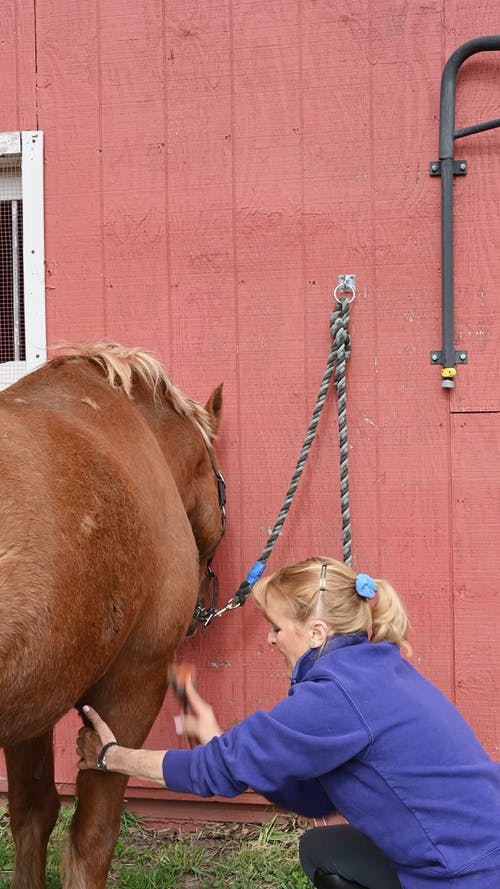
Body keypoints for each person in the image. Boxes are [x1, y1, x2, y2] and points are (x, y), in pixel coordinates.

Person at [77, 557, 500, 889]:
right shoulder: (373, 668)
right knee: (323, 848)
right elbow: (316, 800)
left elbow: (214, 771)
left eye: (277, 627)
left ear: (316, 633)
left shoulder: (335, 696)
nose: (270, 638)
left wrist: (112, 757)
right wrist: (220, 744)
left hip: (466, 876)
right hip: (475, 854)